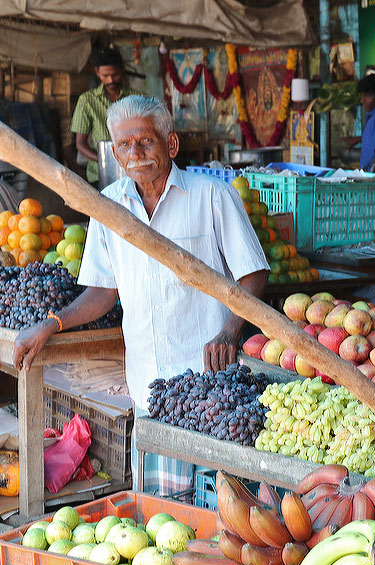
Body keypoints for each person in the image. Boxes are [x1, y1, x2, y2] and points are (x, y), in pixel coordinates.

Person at [14, 96, 270, 495]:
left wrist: (230, 330)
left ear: (171, 145)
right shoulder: (109, 207)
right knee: (161, 519)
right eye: (124, 146)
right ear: (114, 153)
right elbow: (101, 292)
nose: (135, 154)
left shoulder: (213, 196)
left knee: (217, 509)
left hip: (211, 387)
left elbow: (253, 274)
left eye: (146, 142)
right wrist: (51, 324)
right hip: (150, 389)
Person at [71, 47, 140, 186]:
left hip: (133, 173)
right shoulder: (87, 101)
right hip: (98, 175)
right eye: (105, 76)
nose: (110, 80)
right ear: (97, 72)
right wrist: (106, 161)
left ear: (121, 70)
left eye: (115, 75)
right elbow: (80, 144)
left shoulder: (137, 98)